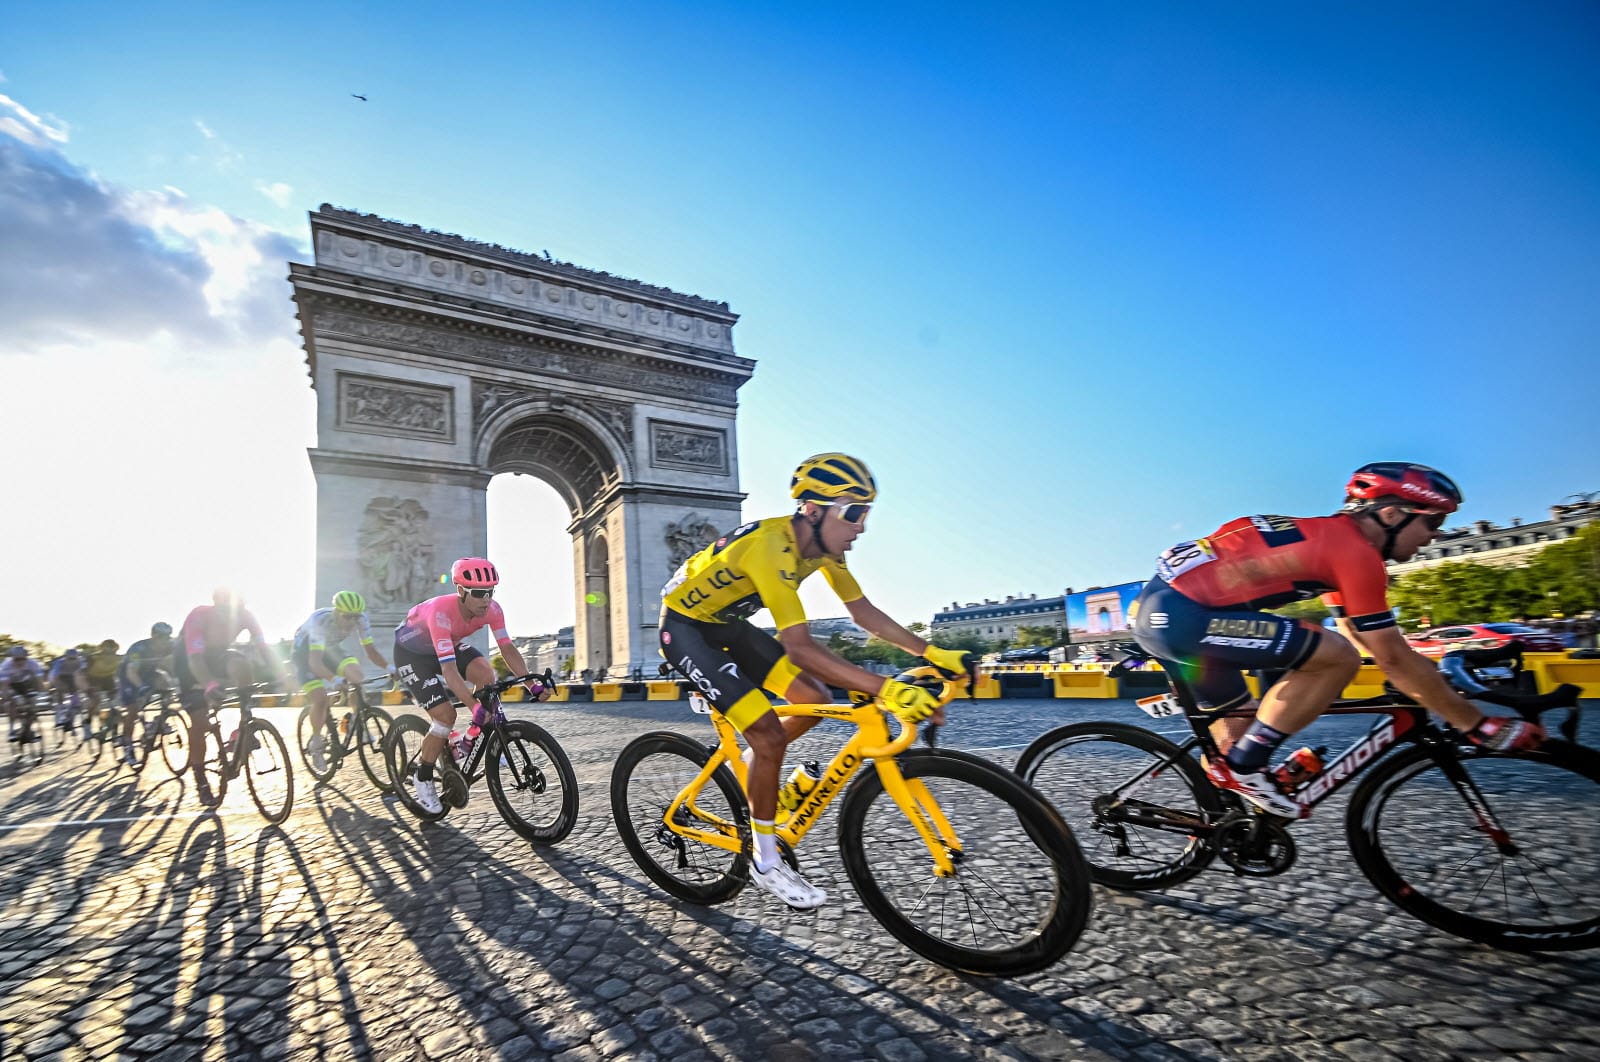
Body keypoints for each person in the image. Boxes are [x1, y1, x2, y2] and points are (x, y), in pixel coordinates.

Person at [1131, 462, 1543, 818]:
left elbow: (1364, 635)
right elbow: (1389, 658)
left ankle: (1221, 824)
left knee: (1236, 738)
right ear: (1392, 513)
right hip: (1182, 617)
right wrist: (1475, 723)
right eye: (1432, 521)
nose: (1435, 535)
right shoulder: (1353, 553)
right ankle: (1245, 768)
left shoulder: (1330, 541)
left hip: (1171, 611)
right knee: (1334, 659)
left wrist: (1429, 679)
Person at [658, 453, 969, 909]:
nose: (861, 526)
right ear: (813, 510)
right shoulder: (770, 546)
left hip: (726, 624)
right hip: (685, 629)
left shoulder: (824, 549)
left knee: (812, 697)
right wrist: (886, 688)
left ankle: (748, 772)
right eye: (855, 512)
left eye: (866, 513)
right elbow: (802, 648)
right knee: (768, 734)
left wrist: (931, 651)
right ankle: (764, 862)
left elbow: (863, 614)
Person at [392, 557, 548, 814]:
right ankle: (423, 775)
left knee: (487, 675)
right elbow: (449, 671)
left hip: (443, 645)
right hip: (412, 654)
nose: (485, 599)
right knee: (445, 715)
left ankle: (470, 740)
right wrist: (474, 706)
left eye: (490, 591)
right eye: (478, 593)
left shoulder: (493, 610)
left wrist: (532, 683)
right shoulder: (441, 612)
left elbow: (507, 648)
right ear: (461, 591)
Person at [173, 589, 290, 802]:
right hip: (189, 661)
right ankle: (200, 779)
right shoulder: (198, 616)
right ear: (215, 605)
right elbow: (196, 660)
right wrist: (209, 683)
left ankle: (243, 729)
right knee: (199, 721)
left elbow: (264, 647)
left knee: (241, 664)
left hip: (218, 655)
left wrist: (283, 675)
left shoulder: (246, 616)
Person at [292, 591, 394, 772]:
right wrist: (334, 679)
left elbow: (370, 651)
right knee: (321, 699)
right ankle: (316, 742)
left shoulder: (361, 619)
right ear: (336, 612)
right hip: (306, 654)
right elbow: (315, 662)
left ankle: (356, 722)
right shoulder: (320, 622)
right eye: (347, 617)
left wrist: (389, 668)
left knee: (357, 677)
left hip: (330, 650)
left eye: (355, 617)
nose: (352, 622)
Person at [115, 623, 176, 766]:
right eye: (161, 637)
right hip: (129, 676)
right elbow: (131, 672)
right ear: (153, 636)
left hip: (149, 673)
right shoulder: (139, 648)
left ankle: (158, 722)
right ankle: (127, 745)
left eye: (167, 637)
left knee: (166, 685)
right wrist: (141, 687)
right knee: (133, 709)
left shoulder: (170, 646)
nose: (164, 640)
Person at [2, 646, 46, 742]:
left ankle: (28, 729)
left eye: (23, 659)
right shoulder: (6, 666)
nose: (20, 661)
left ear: (26, 657)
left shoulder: (33, 664)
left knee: (32, 707)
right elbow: (5, 686)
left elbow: (39, 681)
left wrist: (43, 692)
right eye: (17, 659)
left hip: (27, 684)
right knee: (10, 703)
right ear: (12, 658)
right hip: (12, 685)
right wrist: (6, 697)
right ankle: (12, 730)